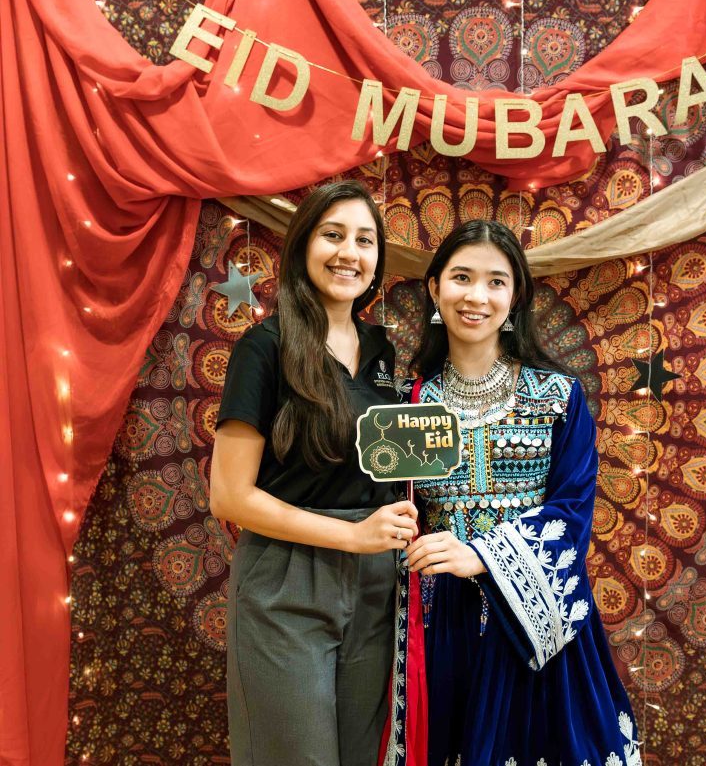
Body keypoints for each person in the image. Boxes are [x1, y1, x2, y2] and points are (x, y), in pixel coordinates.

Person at [401, 220, 642, 766]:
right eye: (462, 277)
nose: (477, 296)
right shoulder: (404, 403)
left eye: (496, 281)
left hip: (537, 621)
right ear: (435, 288)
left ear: (516, 296)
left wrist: (483, 556)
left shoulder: (559, 397)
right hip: (440, 627)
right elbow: (390, 511)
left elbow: (572, 512)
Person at [210, 180, 418, 766]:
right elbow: (228, 496)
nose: (349, 253)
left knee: (363, 756)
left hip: (379, 582)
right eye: (333, 235)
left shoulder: (382, 352)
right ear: (303, 244)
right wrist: (351, 536)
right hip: (287, 578)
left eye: (365, 240)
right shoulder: (265, 346)